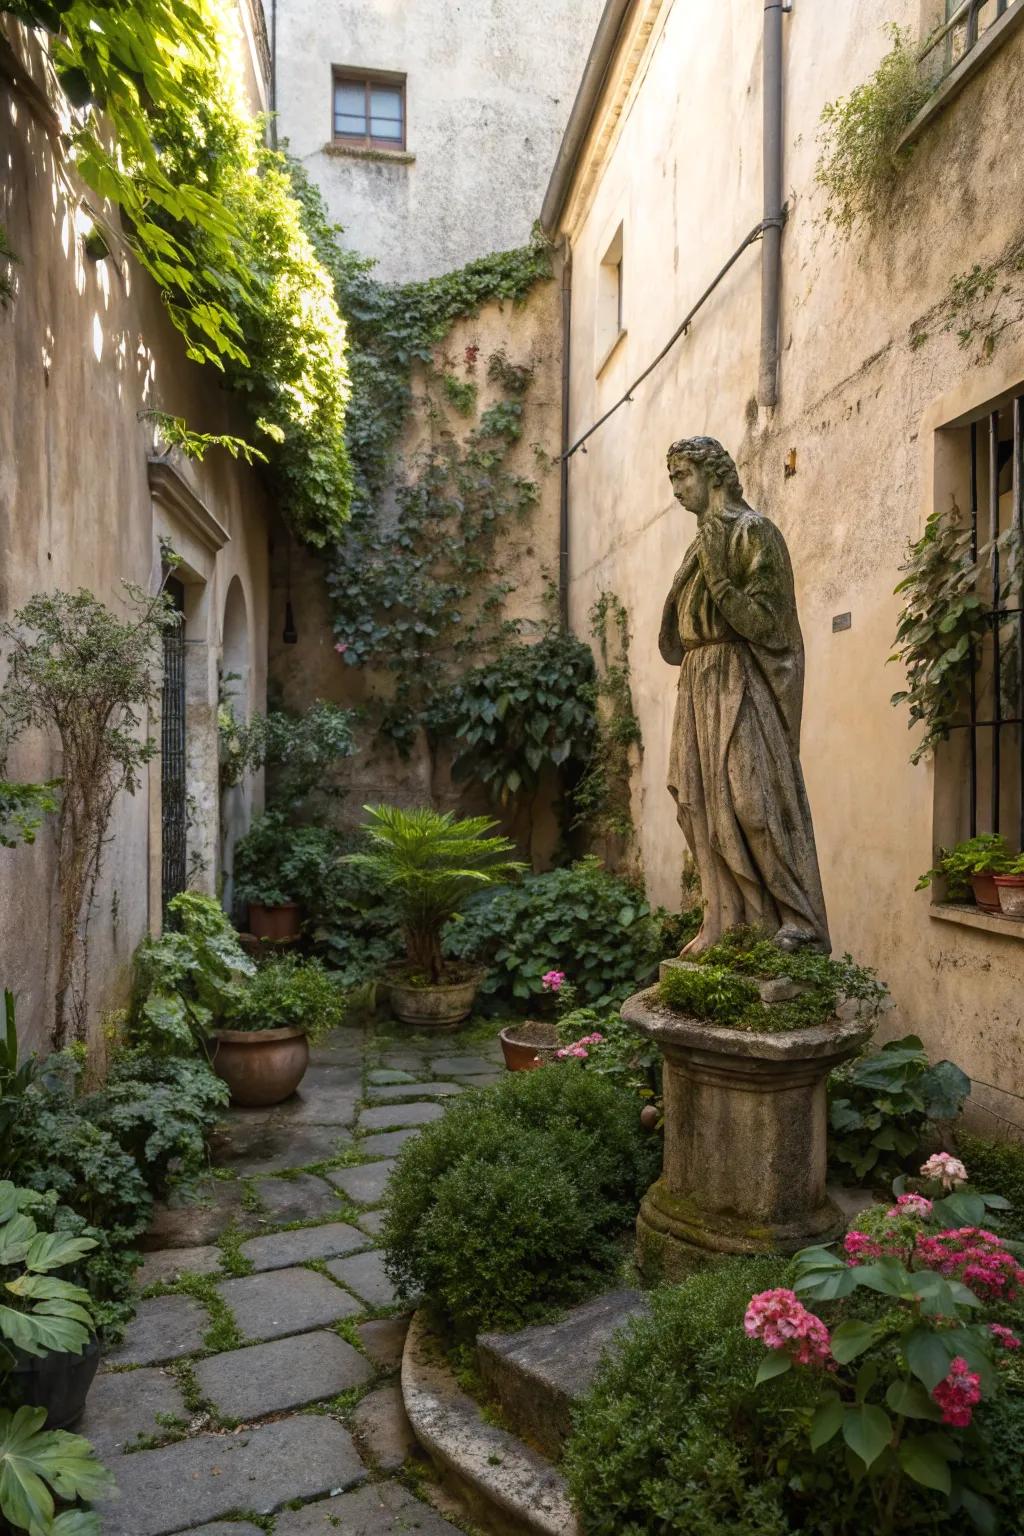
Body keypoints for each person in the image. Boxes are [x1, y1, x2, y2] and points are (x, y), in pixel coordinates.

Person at [659, 435, 829, 953]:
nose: (676, 490)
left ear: (713, 475)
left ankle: (797, 919)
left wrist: (717, 574)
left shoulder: (753, 532)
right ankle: (724, 922)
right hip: (698, 679)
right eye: (671, 480)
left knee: (751, 801)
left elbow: (768, 625)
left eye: (681, 476)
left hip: (739, 677)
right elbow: (678, 631)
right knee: (700, 806)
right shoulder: (700, 543)